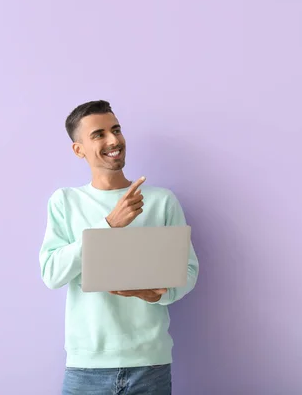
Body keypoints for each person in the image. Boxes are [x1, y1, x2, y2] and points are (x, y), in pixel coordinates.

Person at [39, 100, 199, 394]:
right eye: (98, 134)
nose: (113, 140)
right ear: (79, 150)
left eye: (116, 129)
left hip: (150, 364)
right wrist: (109, 225)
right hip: (85, 366)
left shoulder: (162, 200)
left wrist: (157, 294)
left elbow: (188, 271)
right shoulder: (64, 202)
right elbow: (52, 273)